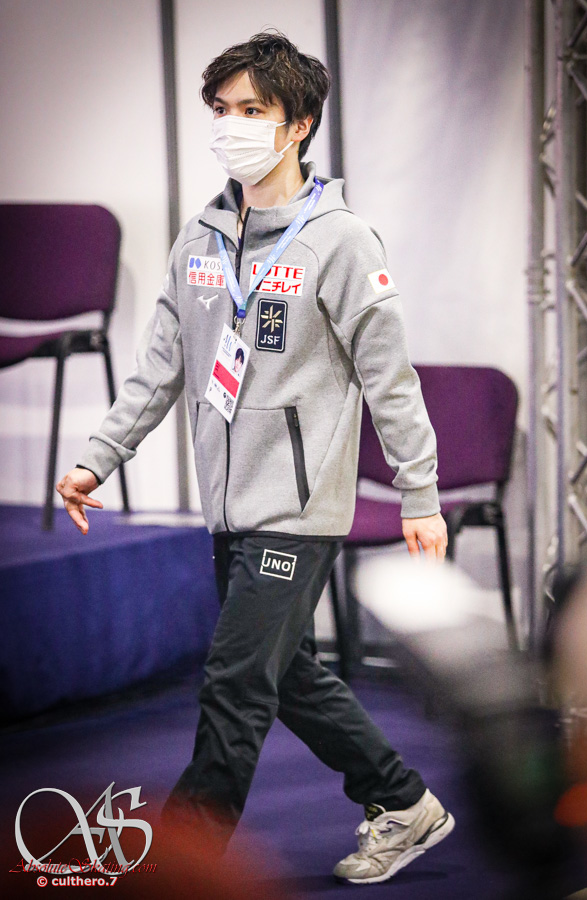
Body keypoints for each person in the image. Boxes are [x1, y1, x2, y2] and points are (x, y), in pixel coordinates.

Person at [56, 31, 453, 885]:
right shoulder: (198, 239)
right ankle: (404, 801)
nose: (231, 126)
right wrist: (98, 457)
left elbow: (392, 379)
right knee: (286, 675)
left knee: (235, 687)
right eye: (222, 110)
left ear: (298, 124)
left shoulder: (342, 241)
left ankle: (176, 869)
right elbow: (159, 367)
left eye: (253, 110)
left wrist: (419, 494)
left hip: (297, 510)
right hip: (227, 506)